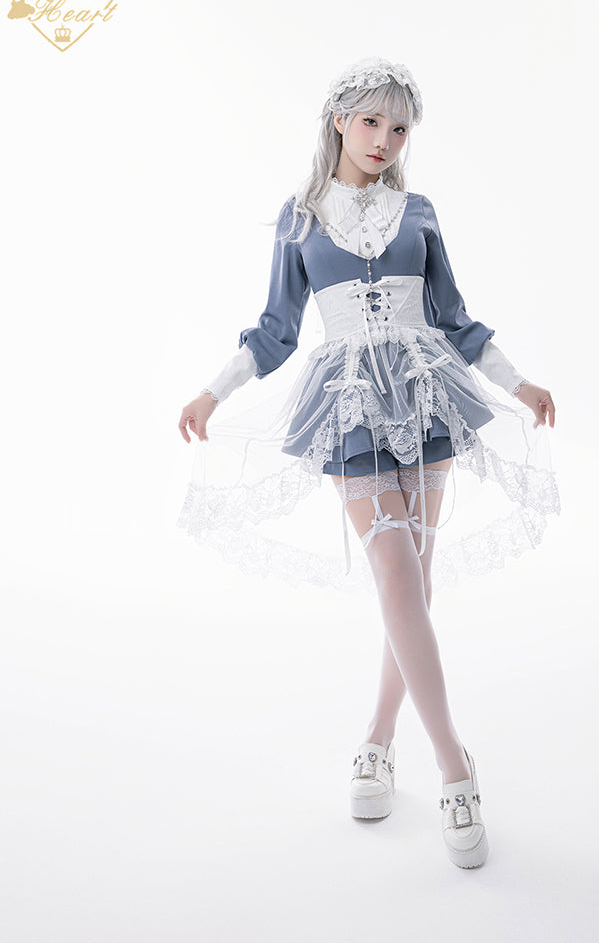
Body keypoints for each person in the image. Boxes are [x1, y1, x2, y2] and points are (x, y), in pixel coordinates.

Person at [177, 55, 560, 868]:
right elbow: (276, 329)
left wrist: (518, 382)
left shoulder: (418, 211)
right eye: (371, 121)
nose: (384, 138)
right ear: (339, 121)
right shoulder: (301, 219)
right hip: (349, 401)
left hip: (426, 394)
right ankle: (455, 767)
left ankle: (379, 740)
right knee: (392, 570)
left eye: (399, 127)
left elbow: (455, 317)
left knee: (413, 580)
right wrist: (213, 391)